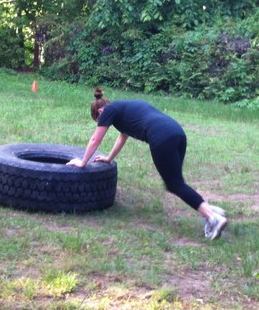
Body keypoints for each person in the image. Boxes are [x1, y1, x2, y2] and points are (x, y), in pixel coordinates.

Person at [67, 88, 228, 240]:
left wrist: (82, 163)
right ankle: (206, 208)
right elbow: (123, 136)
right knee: (178, 181)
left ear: (101, 112)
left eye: (99, 121)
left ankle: (213, 218)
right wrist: (109, 158)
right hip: (177, 133)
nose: (101, 123)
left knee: (174, 185)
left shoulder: (108, 111)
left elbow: (96, 139)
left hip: (161, 138)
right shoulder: (124, 108)